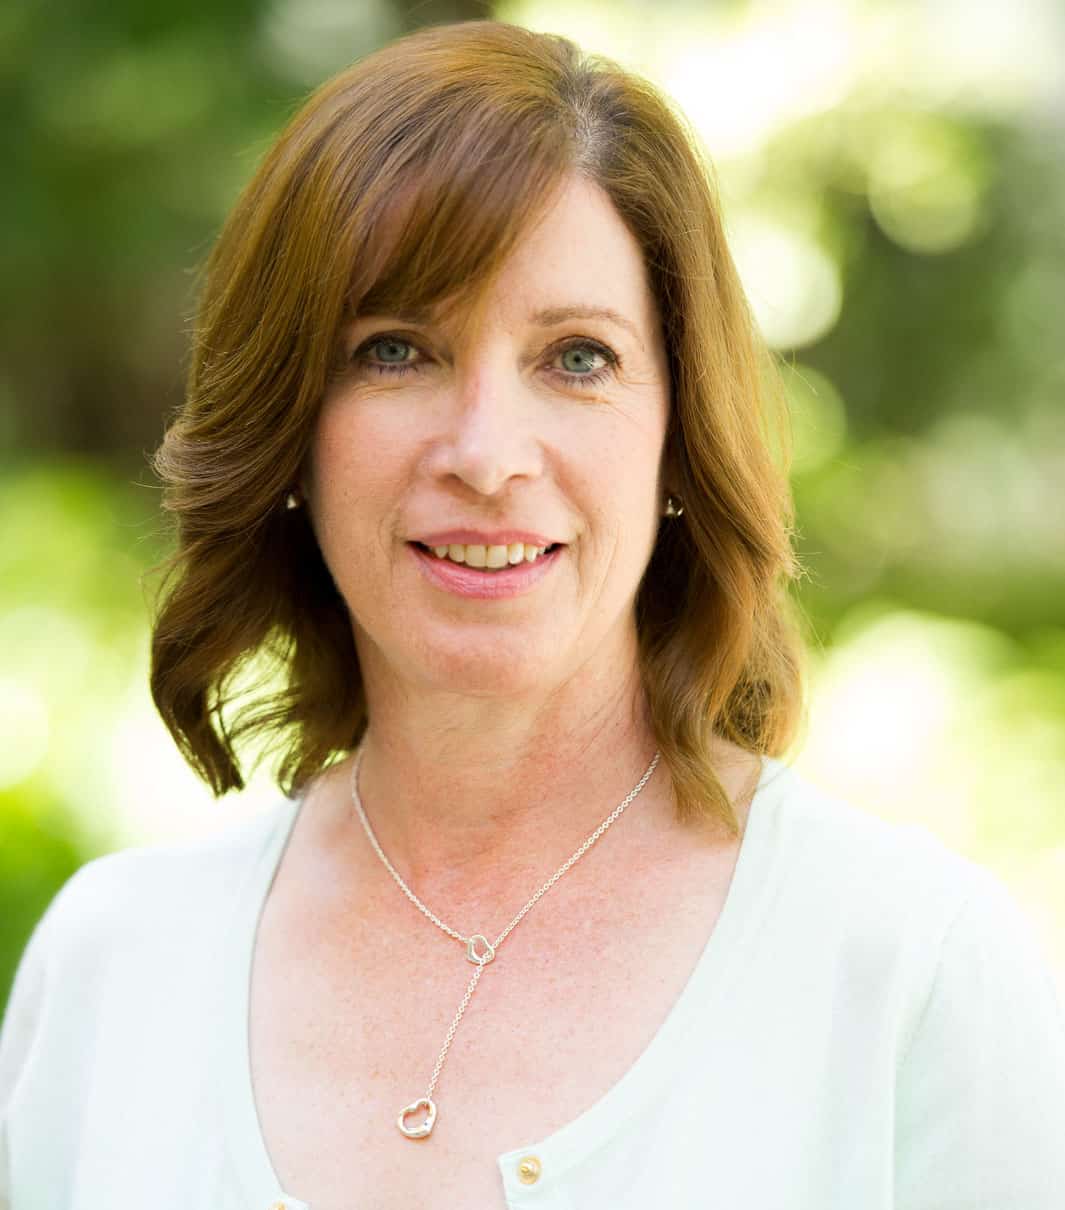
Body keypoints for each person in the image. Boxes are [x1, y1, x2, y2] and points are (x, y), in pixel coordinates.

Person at [2, 18, 1064, 1210]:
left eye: (577, 358)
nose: (488, 455)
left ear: (679, 433)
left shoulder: (907, 973)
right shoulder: (116, 968)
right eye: (396, 350)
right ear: (291, 424)